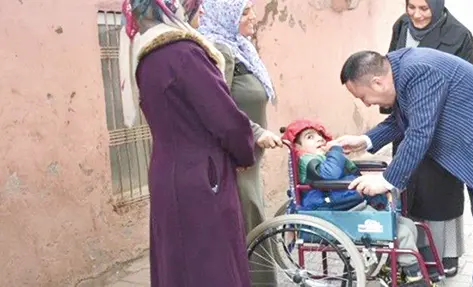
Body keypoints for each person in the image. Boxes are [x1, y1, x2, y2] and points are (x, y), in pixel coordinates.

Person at [336, 48, 473, 287]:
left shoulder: (420, 70)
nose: (366, 104)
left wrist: (386, 180)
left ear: (377, 82)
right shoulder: (399, 70)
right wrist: (365, 140)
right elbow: (405, 119)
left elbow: (420, 132)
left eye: (362, 97)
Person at [119, 0, 255, 286]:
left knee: (178, 264)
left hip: (167, 170)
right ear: (174, 7)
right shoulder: (185, 53)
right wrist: (244, 153)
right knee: (211, 264)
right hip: (203, 176)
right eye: (195, 4)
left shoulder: (146, 55)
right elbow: (225, 119)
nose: (202, 11)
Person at [385, 0, 473, 277]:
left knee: (441, 192)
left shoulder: (459, 35)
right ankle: (415, 251)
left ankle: (446, 252)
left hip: (444, 126)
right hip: (407, 121)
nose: (417, 15)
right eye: (411, 7)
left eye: (424, 8)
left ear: (437, 6)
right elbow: (390, 66)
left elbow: (467, 82)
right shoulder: (401, 26)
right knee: (409, 185)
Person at [282, 119, 430, 287]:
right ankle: (414, 277)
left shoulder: (323, 158)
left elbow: (343, 171)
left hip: (349, 207)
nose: (319, 139)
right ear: (298, 148)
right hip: (335, 212)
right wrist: (336, 150)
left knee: (408, 224)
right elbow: (329, 175)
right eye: (310, 137)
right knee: (401, 232)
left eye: (320, 136)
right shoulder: (308, 160)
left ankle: (392, 267)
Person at [199, 0, 281, 234]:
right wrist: (255, 133)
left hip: (249, 154)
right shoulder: (218, 51)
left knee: (252, 217)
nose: (254, 16)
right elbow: (217, 106)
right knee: (245, 220)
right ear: (223, 16)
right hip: (235, 155)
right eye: (244, 12)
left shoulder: (241, 48)